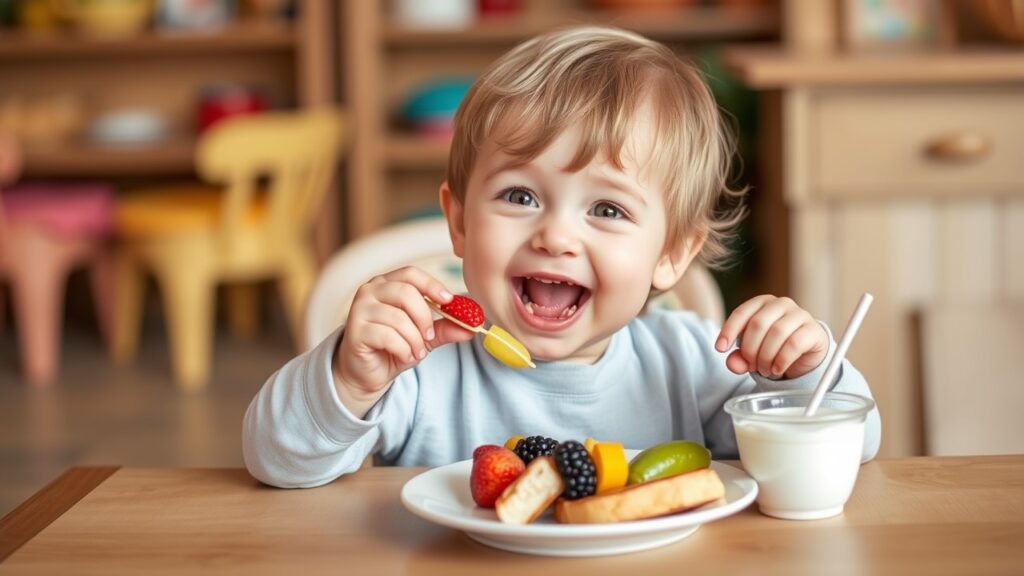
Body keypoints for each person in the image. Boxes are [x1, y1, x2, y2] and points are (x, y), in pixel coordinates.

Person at [243, 26, 881, 488]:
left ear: (671, 254)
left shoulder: (692, 361)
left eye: (607, 210)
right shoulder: (417, 370)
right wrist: (349, 381)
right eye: (520, 195)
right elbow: (274, 461)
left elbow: (856, 446)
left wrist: (806, 369)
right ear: (459, 222)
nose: (555, 237)